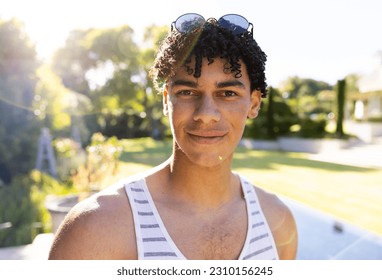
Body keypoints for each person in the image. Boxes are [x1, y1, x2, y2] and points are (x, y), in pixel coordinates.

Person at [48, 13, 297, 260]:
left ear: (253, 104)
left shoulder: (277, 223)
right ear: (167, 100)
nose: (206, 115)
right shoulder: (94, 230)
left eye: (228, 93)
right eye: (188, 91)